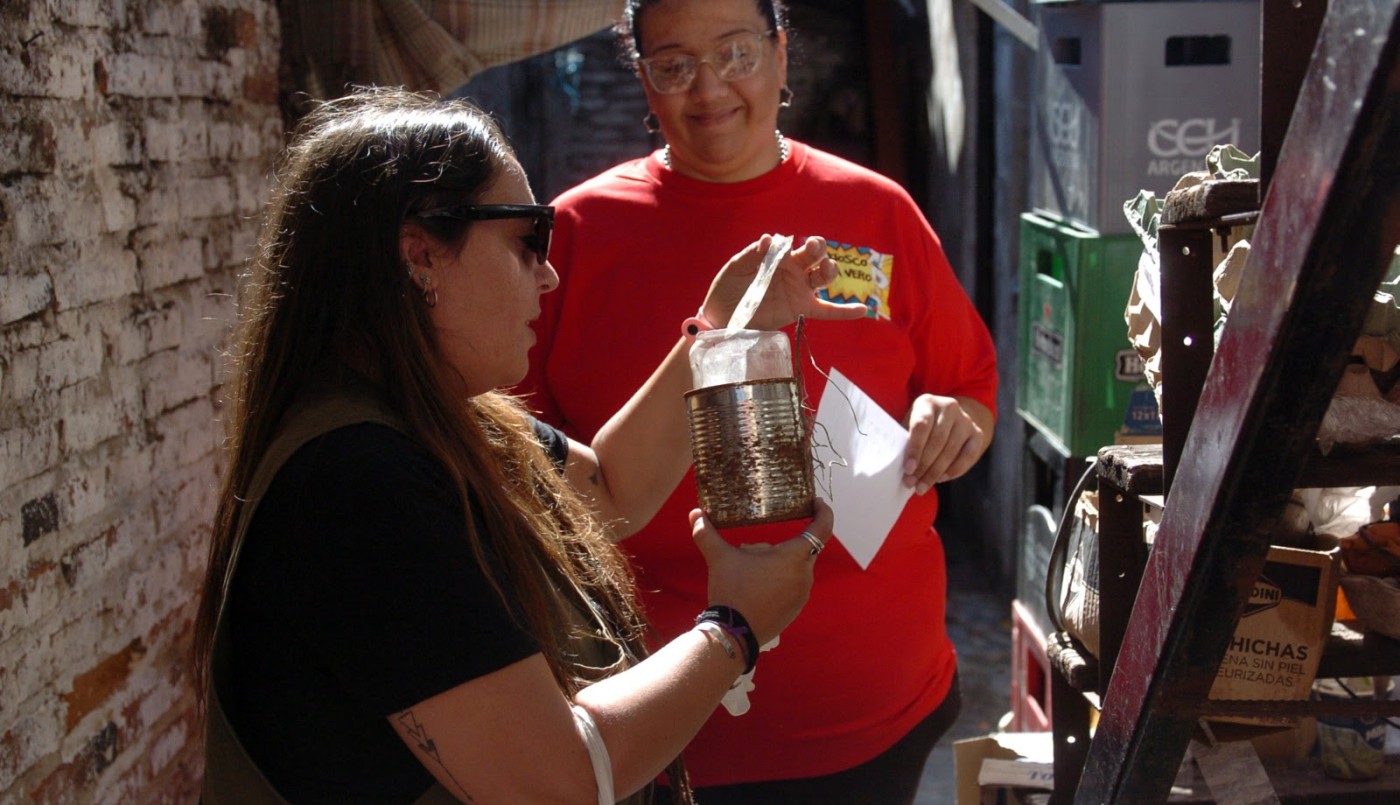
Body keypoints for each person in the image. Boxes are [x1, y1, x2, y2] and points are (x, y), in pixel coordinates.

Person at [191, 86, 867, 804]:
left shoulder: (447, 418)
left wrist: (724, 322)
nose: (546, 274)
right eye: (526, 240)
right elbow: (558, 784)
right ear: (420, 255)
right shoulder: (358, 482)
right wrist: (734, 627)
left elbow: (609, 490)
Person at [518, 1, 1000, 802]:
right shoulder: (575, 237)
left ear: (781, 54)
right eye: (674, 65)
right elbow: (523, 467)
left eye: (736, 53)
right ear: (644, 79)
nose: (709, 89)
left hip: (877, 704)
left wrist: (954, 422)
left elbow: (968, 386)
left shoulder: (876, 215)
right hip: (663, 720)